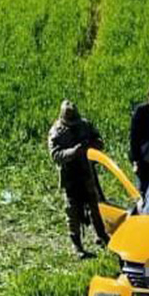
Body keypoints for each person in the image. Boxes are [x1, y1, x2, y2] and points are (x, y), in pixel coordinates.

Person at [47, 100, 109, 258]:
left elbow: (99, 140)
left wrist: (91, 146)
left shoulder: (85, 125)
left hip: (86, 172)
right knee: (72, 211)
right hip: (70, 177)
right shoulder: (56, 132)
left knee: (94, 205)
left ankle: (101, 236)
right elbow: (55, 155)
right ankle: (77, 246)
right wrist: (73, 152)